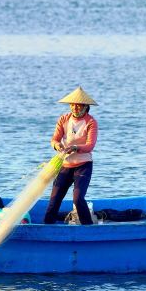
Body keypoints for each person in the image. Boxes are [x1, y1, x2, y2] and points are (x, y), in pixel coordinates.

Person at [43, 87, 99, 225]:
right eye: (72, 105)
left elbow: (90, 145)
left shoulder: (91, 122)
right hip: (65, 165)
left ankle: (88, 228)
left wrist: (75, 147)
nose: (75, 108)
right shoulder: (64, 119)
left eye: (79, 105)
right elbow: (54, 140)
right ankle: (47, 226)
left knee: (78, 198)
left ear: (86, 107)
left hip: (83, 166)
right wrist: (57, 146)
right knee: (54, 198)